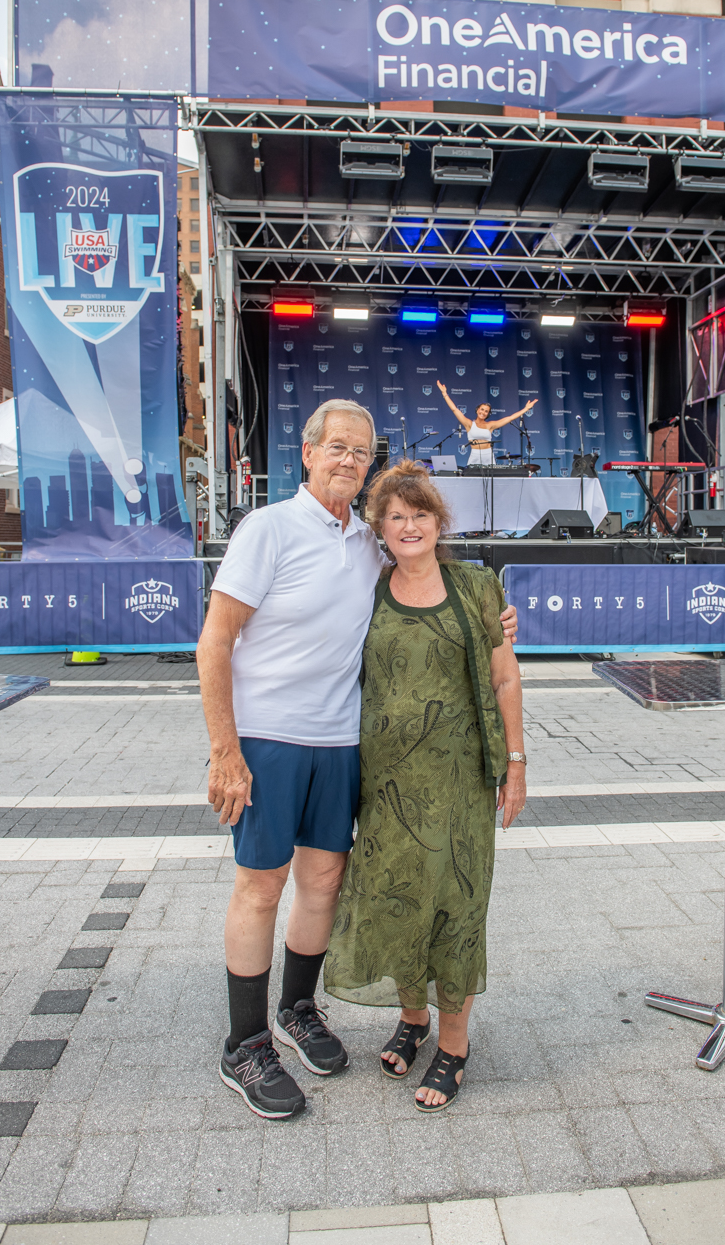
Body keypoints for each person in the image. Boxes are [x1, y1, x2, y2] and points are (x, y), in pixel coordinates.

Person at [197, 399, 518, 1121]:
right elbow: (214, 640)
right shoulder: (267, 528)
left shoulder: (368, 544)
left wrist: (495, 614)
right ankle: (244, 1044)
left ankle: (296, 1009)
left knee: (322, 882)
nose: (348, 459)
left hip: (342, 742)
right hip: (270, 739)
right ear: (307, 453)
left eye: (361, 450)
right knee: (260, 887)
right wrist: (224, 750)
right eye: (337, 446)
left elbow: (428, 579)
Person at [324, 460, 526, 1112]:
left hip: (460, 781)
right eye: (395, 517)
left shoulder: (477, 587)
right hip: (385, 784)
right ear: (379, 529)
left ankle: (454, 1044)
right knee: (398, 900)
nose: (408, 526)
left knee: (456, 905)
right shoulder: (367, 590)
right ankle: (413, 1019)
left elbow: (504, 677)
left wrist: (516, 762)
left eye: (419, 515)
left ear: (439, 523)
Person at [435, 385, 538, 467]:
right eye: (482, 409)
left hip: (488, 455)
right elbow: (454, 410)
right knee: (472, 479)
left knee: (490, 481)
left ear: (488, 414)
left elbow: (510, 418)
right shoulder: (469, 424)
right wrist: (444, 393)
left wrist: (526, 409)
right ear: (477, 410)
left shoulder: (490, 425)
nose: (483, 412)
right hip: (475, 455)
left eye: (486, 411)